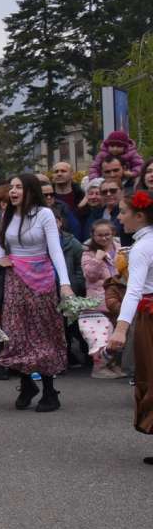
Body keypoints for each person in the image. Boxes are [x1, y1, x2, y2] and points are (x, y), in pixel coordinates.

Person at [0, 173, 75, 411]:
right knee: (17, 332)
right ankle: (27, 383)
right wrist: (1, 258)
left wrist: (65, 283)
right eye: (12, 187)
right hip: (16, 279)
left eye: (19, 187)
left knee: (43, 333)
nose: (14, 191)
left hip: (42, 280)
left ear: (30, 190)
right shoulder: (8, 213)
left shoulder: (44, 214)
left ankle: (50, 391)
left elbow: (56, 250)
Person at [104, 187, 153, 453]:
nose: (119, 219)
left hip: (150, 319)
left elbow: (134, 290)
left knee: (150, 376)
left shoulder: (142, 247)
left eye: (123, 213)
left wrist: (120, 330)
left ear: (140, 215)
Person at [81, 220, 123, 378]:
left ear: (113, 234)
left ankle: (112, 365)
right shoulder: (88, 252)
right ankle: (99, 369)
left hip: (118, 298)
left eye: (107, 234)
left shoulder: (120, 248)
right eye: (99, 235)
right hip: (98, 301)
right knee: (100, 336)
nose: (104, 238)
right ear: (93, 235)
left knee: (116, 336)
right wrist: (97, 259)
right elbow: (90, 276)